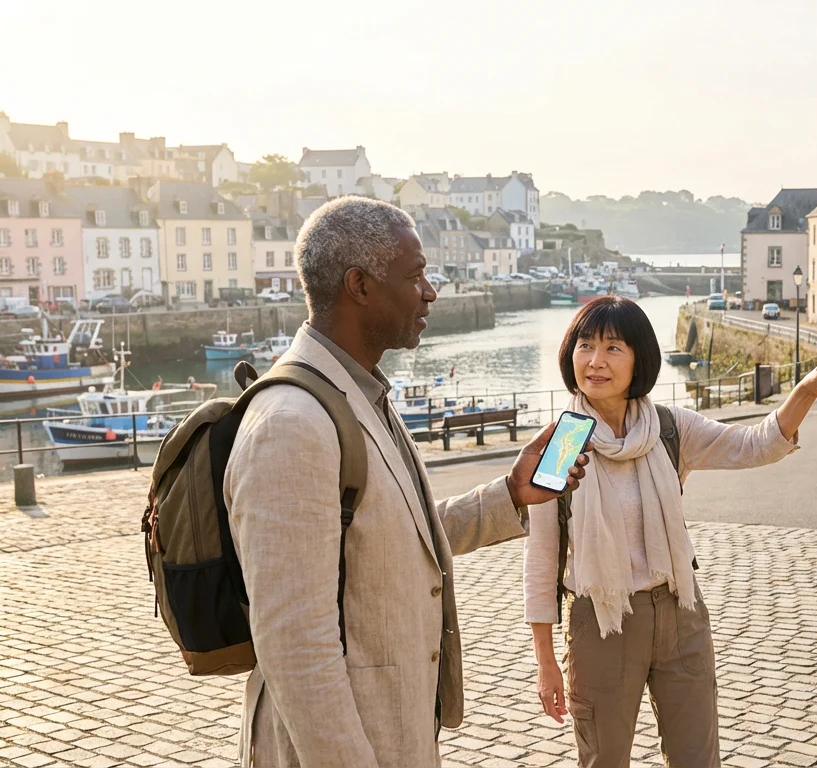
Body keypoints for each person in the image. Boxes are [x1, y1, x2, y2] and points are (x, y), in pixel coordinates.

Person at [225, 197, 590, 767]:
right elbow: (294, 646)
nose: (431, 291)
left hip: (392, 734)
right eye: (415, 274)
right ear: (360, 286)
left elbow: (397, 536)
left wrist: (512, 494)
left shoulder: (356, 394)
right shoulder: (291, 427)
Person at [524, 297, 817, 767]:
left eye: (613, 348)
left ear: (639, 358)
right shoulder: (560, 446)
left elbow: (753, 445)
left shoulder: (666, 428)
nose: (595, 361)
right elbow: (540, 562)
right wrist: (544, 663)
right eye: (585, 345)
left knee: (697, 759)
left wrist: (803, 392)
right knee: (604, 760)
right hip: (601, 619)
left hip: (679, 610)